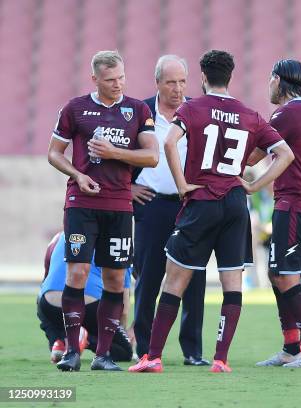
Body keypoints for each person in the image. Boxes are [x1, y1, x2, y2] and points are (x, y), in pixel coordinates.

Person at [128, 50, 293, 374]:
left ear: (202, 78)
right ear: (230, 77)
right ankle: (220, 359)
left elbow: (170, 143)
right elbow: (284, 154)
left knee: (174, 280)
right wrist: (255, 186)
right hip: (234, 203)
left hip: (201, 199)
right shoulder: (249, 114)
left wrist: (182, 184)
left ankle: (153, 357)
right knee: (231, 282)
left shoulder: (193, 108)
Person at [48, 50, 158, 371]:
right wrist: (78, 175)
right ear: (94, 78)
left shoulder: (137, 110)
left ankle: (104, 355)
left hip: (120, 205)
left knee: (114, 278)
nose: (118, 84)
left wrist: (115, 152)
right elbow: (54, 153)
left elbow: (151, 156)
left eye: (121, 77)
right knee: (77, 272)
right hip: (81, 203)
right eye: (110, 80)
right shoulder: (75, 108)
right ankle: (72, 352)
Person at [131, 55, 208, 366]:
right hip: (151, 204)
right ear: (157, 83)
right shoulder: (140, 112)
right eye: (170, 82)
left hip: (190, 206)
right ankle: (146, 349)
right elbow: (120, 154)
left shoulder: (197, 111)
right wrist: (127, 188)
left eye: (182, 82)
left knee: (194, 280)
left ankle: (192, 351)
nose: (177, 89)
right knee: (148, 278)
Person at [254, 59, 301, 368]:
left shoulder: (286, 113)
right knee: (277, 274)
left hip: (295, 203)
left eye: (269, 81)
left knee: (286, 276)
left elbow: (254, 155)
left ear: (277, 80)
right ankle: (290, 346)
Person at [38, 232, 133, 363]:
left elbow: (46, 280)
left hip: (49, 303)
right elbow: (123, 307)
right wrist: (121, 334)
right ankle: (84, 340)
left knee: (43, 300)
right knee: (123, 352)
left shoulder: (59, 237)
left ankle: (60, 341)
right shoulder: (119, 241)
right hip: (89, 303)